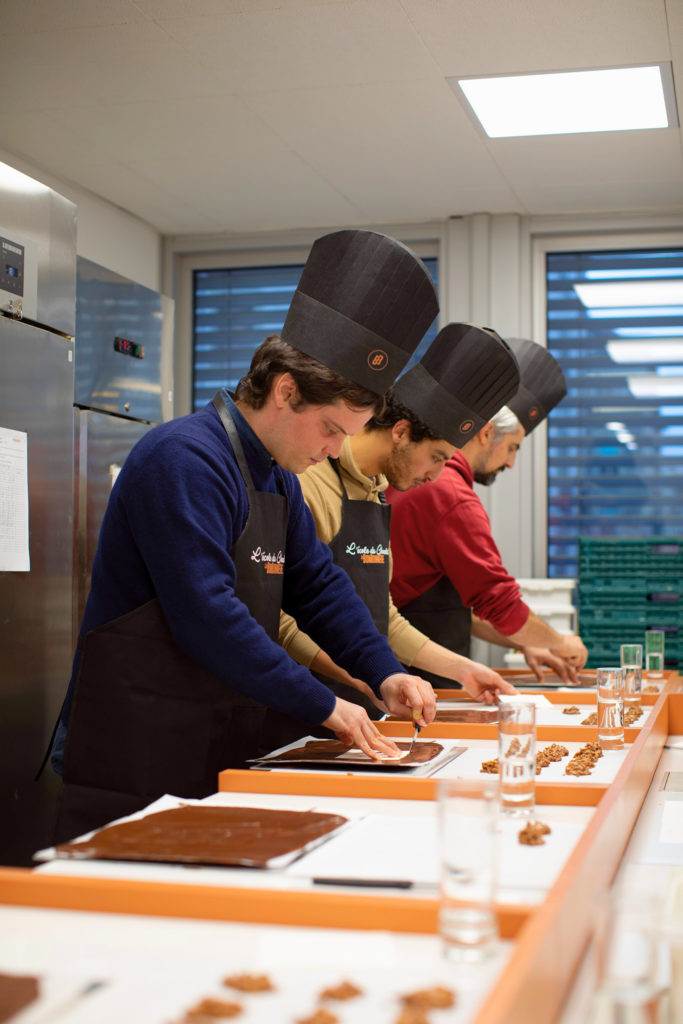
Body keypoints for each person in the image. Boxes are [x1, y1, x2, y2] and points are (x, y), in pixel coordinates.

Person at [50, 229, 441, 841]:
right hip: (137, 748)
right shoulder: (183, 458)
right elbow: (207, 613)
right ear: (285, 391)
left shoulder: (277, 475)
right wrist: (325, 704)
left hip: (212, 740)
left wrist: (382, 671)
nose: (337, 449)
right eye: (332, 429)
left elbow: (317, 586)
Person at [276, 323, 521, 727]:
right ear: (402, 432)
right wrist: (372, 679)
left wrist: (463, 670)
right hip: (308, 711)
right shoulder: (311, 479)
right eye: (438, 457)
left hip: (362, 712)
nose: (438, 475)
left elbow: (380, 616)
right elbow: (283, 616)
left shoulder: (376, 489)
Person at [388, 337, 588, 685]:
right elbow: (500, 604)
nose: (511, 463)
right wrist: (561, 642)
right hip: (409, 671)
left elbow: (470, 611)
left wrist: (526, 642)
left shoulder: (439, 486)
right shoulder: (450, 495)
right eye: (512, 448)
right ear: (486, 432)